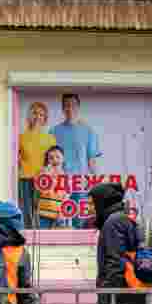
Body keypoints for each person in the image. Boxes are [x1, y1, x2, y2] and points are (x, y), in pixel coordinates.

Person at [49, 93, 101, 229]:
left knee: (80, 218)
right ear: (62, 108)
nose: (69, 108)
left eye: (72, 105)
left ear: (78, 107)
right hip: (59, 182)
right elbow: (49, 159)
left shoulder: (88, 131)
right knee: (61, 218)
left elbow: (91, 160)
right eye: (66, 105)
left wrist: (96, 181)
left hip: (80, 182)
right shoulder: (54, 131)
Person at [18, 102, 57, 229]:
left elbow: (53, 161)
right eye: (35, 113)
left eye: (41, 114)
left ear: (45, 118)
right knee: (26, 212)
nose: (37, 116)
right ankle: (28, 238)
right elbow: (16, 159)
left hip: (43, 180)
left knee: (42, 212)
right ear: (29, 115)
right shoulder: (21, 137)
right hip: (25, 178)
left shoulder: (50, 138)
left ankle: (42, 238)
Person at [37, 145, 69, 229]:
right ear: (47, 161)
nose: (55, 160)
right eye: (51, 158)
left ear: (63, 159)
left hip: (59, 215)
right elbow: (40, 189)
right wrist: (46, 174)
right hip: (44, 213)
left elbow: (66, 196)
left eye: (58, 157)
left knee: (58, 239)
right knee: (43, 237)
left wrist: (62, 213)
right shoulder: (43, 173)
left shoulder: (66, 176)